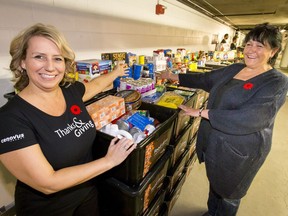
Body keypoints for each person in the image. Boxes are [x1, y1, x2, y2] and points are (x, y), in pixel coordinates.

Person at [0, 23, 137, 216]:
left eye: (57, 58)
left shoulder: (70, 92)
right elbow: (48, 183)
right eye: (39, 56)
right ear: (22, 61)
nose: (50, 66)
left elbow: (95, 85)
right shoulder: (10, 119)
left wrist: (115, 72)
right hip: (47, 209)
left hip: (86, 193)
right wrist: (109, 162)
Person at [159, 23, 288, 216]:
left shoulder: (277, 81)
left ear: (273, 51)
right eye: (249, 44)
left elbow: (253, 118)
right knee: (215, 181)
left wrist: (202, 113)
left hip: (242, 150)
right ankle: (212, 213)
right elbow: (205, 79)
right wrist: (173, 76)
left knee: (229, 193)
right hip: (216, 142)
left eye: (260, 46)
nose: (251, 50)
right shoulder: (235, 69)